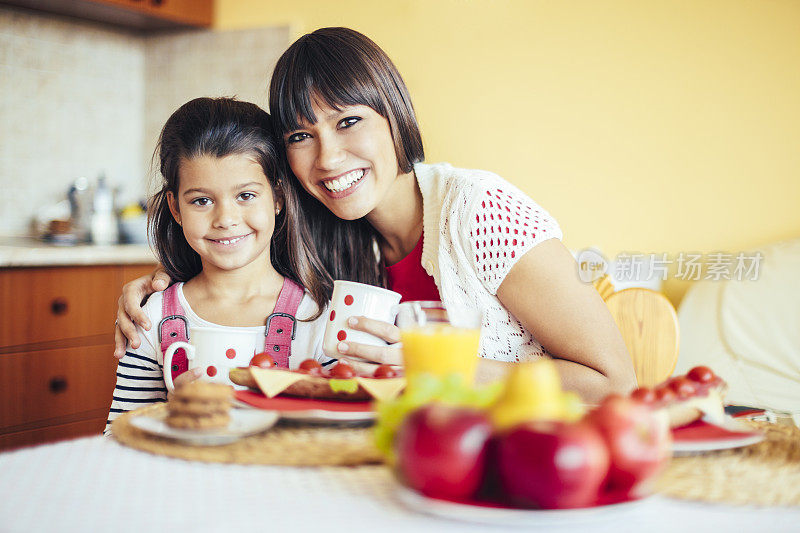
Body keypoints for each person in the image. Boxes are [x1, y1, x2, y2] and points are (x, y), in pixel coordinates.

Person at [115, 28, 636, 403]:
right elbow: (232, 261)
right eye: (301, 136)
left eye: (348, 121)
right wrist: (158, 289)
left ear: (394, 114)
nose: (328, 158)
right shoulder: (323, 234)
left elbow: (613, 381)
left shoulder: (479, 212)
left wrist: (440, 369)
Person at [106, 97, 333, 433]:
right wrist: (172, 419)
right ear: (175, 208)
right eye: (201, 200)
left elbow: (341, 436)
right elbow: (117, 438)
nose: (225, 219)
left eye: (246, 196)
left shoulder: (318, 316)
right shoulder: (151, 317)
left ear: (278, 197)